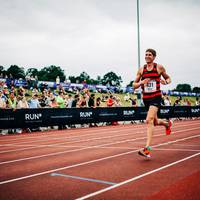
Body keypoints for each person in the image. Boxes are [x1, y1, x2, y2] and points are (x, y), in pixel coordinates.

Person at [133, 48, 173, 158]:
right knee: (154, 122)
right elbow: (134, 85)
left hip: (156, 97)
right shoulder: (141, 70)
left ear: (154, 57)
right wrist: (141, 82)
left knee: (149, 120)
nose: (147, 56)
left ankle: (147, 149)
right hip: (146, 98)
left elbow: (169, 78)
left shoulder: (159, 67)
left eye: (149, 55)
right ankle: (167, 124)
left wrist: (166, 82)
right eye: (146, 54)